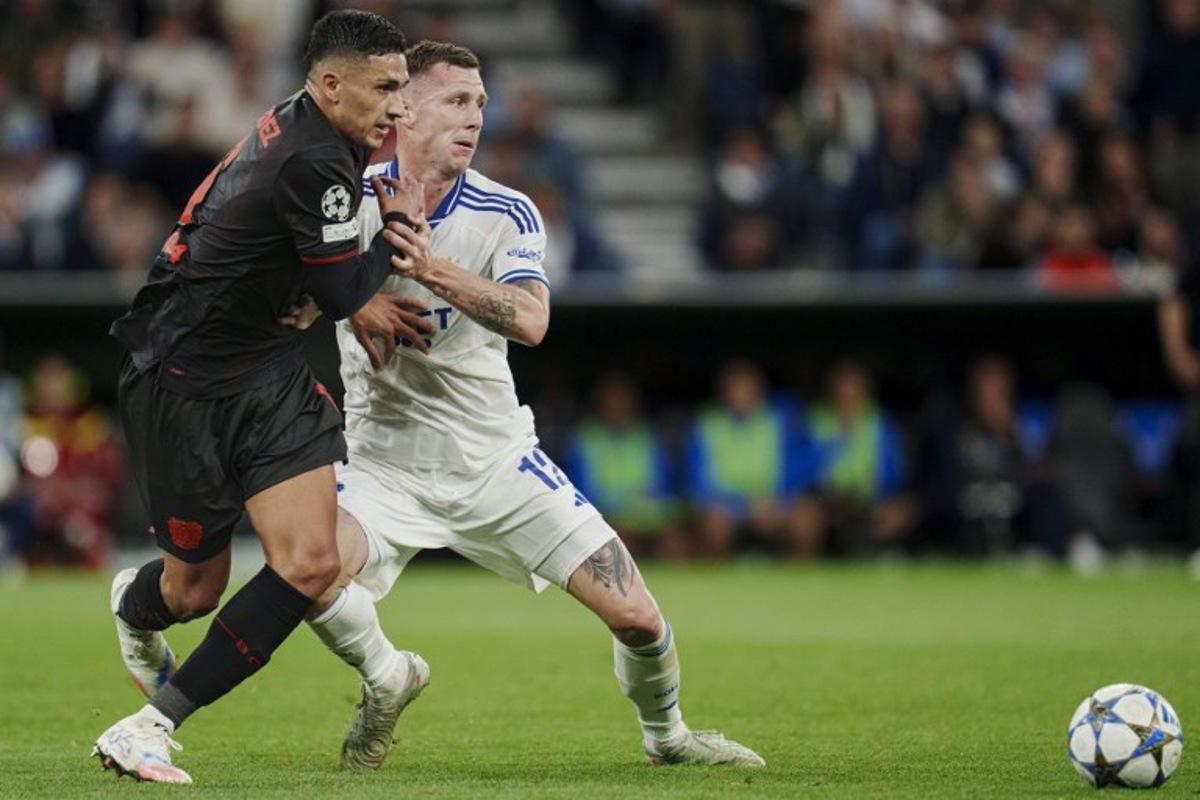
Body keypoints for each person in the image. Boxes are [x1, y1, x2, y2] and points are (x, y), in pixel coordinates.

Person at [284, 41, 763, 770]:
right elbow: (293, 303)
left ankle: (667, 739)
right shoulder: (344, 191)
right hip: (383, 462)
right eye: (455, 101)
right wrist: (352, 305)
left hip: (494, 461)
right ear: (405, 107)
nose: (475, 117)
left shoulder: (507, 211)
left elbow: (533, 321)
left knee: (636, 617)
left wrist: (426, 268)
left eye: (481, 103)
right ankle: (387, 677)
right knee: (308, 570)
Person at [93, 10, 416, 784]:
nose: (400, 105)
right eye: (387, 87)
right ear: (331, 85)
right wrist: (394, 233)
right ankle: (134, 606)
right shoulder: (314, 160)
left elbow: (311, 272)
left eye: (404, 87)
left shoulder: (315, 131)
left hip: (264, 369)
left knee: (309, 561)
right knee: (190, 590)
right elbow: (341, 291)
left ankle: (149, 726)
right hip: (184, 379)